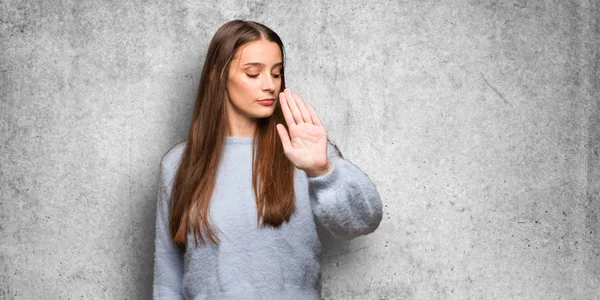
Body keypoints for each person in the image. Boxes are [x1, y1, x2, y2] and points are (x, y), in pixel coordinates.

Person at [152, 19, 383, 300]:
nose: (270, 86)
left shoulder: (302, 152)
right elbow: (168, 275)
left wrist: (323, 170)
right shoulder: (177, 164)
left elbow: (363, 221)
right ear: (217, 74)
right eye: (253, 74)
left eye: (276, 74)